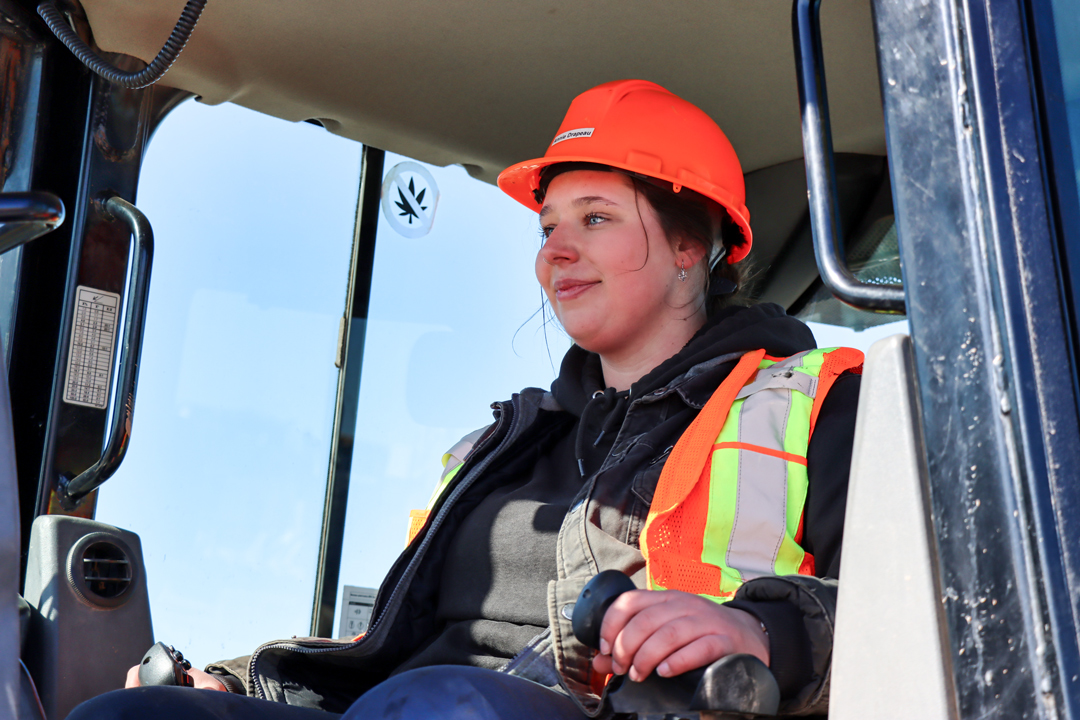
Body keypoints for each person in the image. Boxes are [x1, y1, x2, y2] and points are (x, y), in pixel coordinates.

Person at [70, 79, 860, 720]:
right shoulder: (504, 442)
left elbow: (927, 613)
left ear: (694, 246)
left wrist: (759, 629)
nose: (556, 250)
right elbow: (392, 640)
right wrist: (239, 683)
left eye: (596, 218)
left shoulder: (813, 405)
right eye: (548, 227)